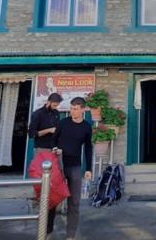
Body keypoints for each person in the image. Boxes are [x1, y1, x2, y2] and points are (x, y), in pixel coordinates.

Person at [52, 97, 93, 240]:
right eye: (71, 108)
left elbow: (88, 148)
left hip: (75, 166)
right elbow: (53, 140)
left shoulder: (86, 127)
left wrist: (88, 169)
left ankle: (70, 235)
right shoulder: (63, 123)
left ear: (83, 110)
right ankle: (47, 231)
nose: (72, 111)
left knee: (74, 202)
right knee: (53, 200)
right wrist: (55, 149)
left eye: (75, 109)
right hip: (59, 165)